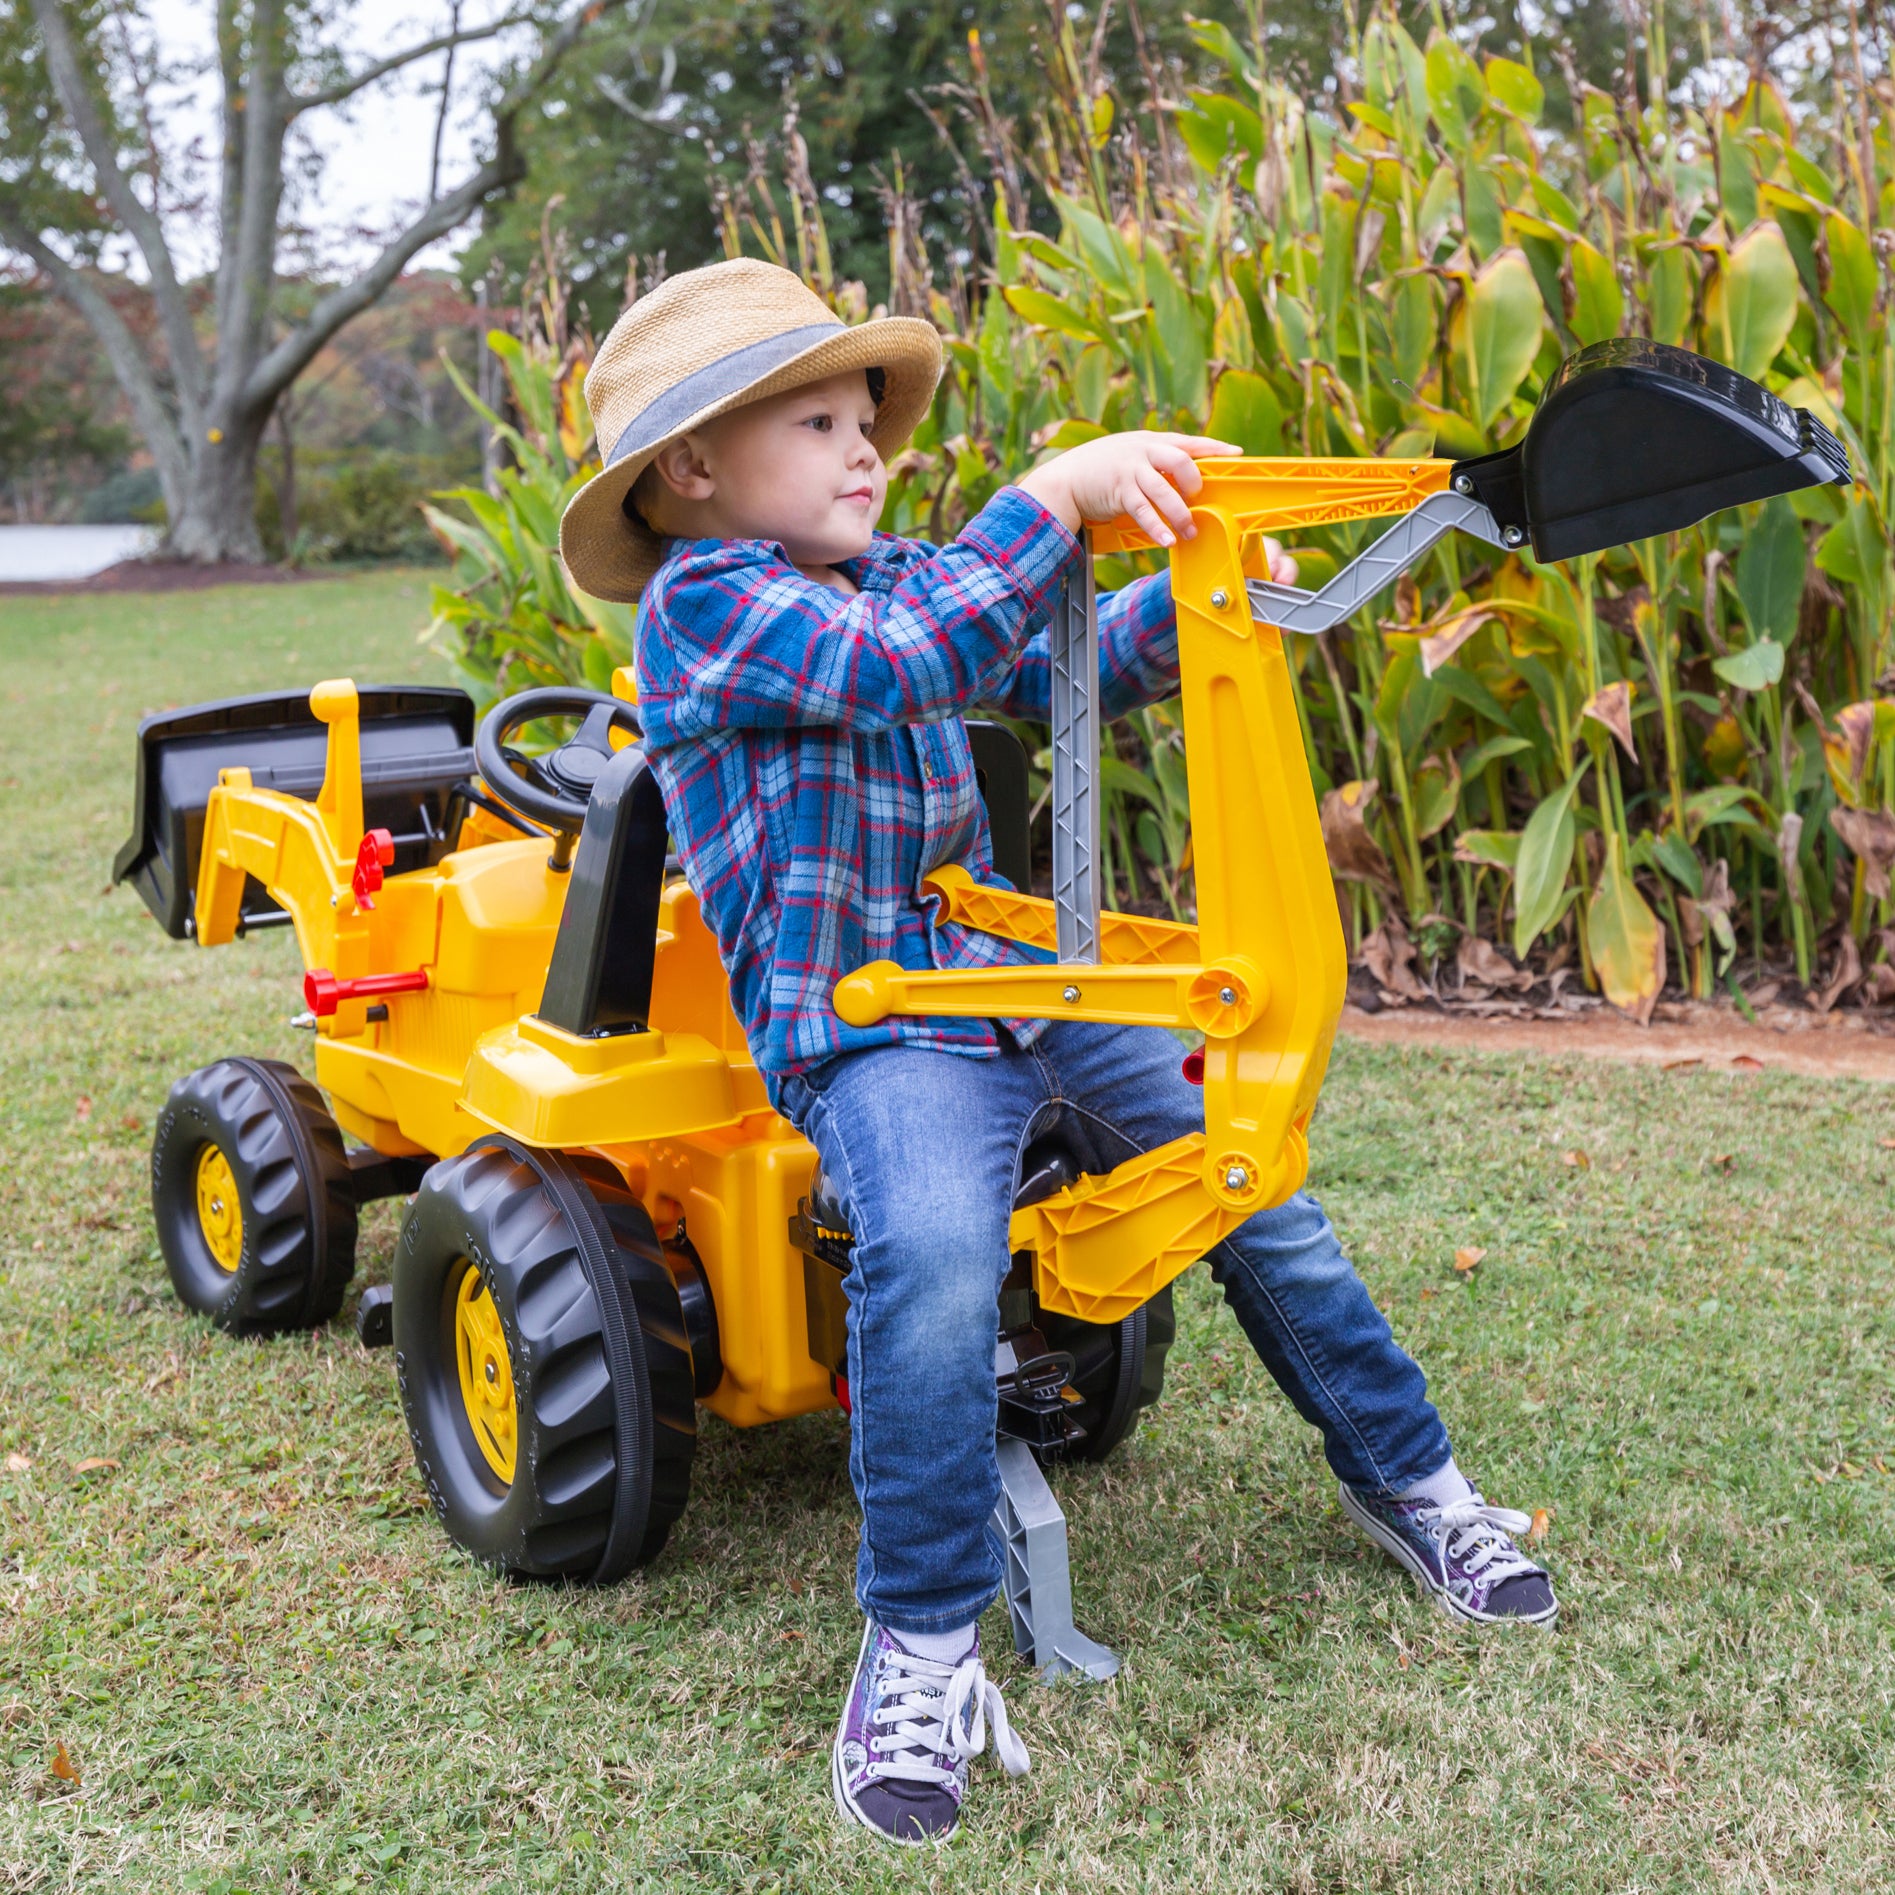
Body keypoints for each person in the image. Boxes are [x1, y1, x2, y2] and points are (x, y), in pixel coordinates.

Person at [558, 258, 1556, 1848]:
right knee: (939, 1253)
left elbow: (1055, 656)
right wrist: (1048, 495)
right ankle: (926, 1641)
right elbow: (919, 666)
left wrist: (1223, 572)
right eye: (818, 422)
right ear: (690, 473)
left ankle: (1414, 1484)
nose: (867, 446)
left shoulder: (893, 583)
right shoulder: (711, 612)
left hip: (1026, 979)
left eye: (866, 415)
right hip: (881, 1035)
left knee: (1253, 1179)